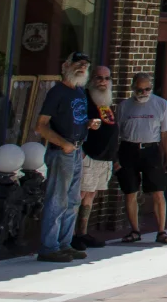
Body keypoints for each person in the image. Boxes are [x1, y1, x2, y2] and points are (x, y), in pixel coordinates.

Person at [33, 52, 92, 263]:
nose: (82, 67)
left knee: (73, 200)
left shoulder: (80, 92)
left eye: (85, 65)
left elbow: (74, 119)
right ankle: (49, 247)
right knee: (57, 200)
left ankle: (65, 244)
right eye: (78, 64)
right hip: (61, 152)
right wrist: (64, 144)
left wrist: (88, 126)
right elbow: (41, 125)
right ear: (66, 65)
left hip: (76, 150)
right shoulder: (56, 92)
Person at [115, 72, 167, 245]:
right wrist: (115, 158)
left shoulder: (161, 104)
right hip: (128, 149)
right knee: (130, 192)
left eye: (147, 89)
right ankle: (135, 230)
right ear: (133, 88)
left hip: (151, 150)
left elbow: (165, 135)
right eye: (139, 89)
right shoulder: (124, 106)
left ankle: (162, 231)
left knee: (158, 191)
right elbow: (116, 135)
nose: (143, 92)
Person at [75, 63, 119, 249]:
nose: (103, 82)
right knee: (80, 194)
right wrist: (82, 153)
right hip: (89, 156)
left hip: (104, 158)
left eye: (107, 78)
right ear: (91, 80)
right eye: (99, 78)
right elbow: (75, 123)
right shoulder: (84, 98)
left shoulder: (105, 100)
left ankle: (82, 233)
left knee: (90, 195)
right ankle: (69, 235)